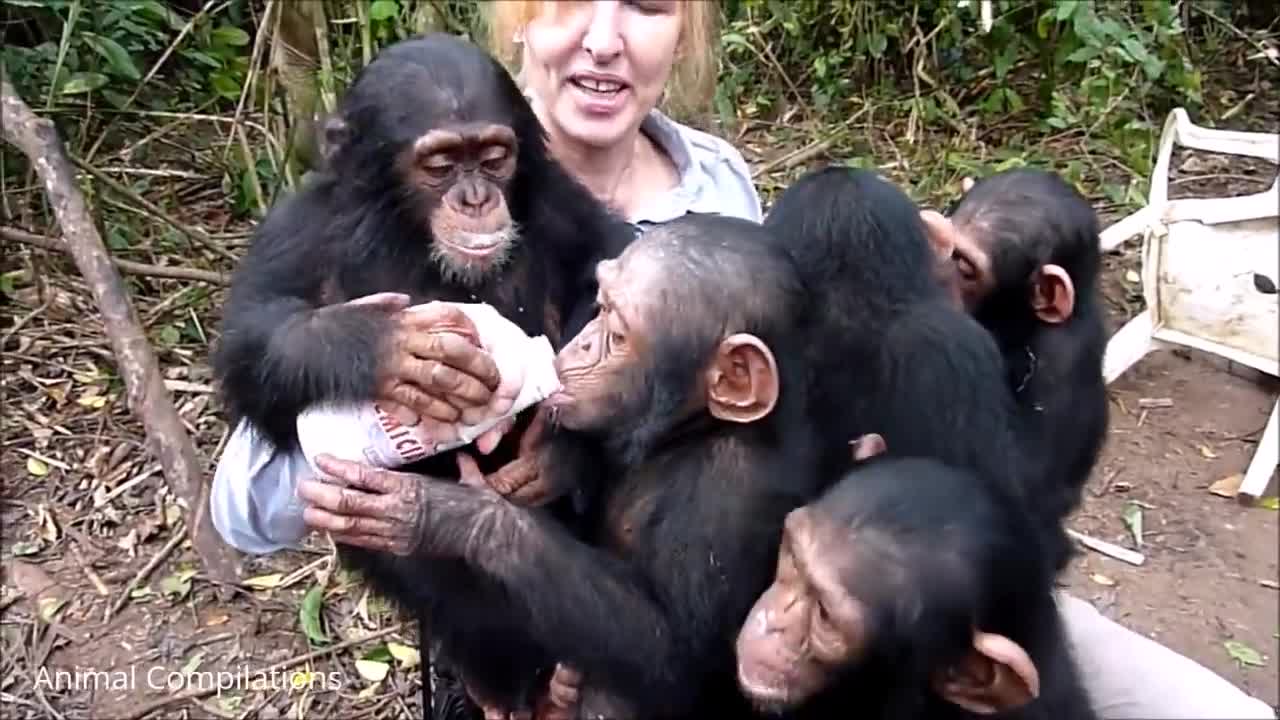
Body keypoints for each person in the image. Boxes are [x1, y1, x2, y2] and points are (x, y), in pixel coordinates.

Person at [209, 2, 1276, 718]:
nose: (601, 40)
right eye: (567, 2)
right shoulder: (338, 231)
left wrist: (567, 462)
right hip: (531, 609)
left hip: (734, 585)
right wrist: (366, 371)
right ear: (518, 27)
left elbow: (746, 395)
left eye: (647, 4)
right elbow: (248, 480)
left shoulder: (694, 194)